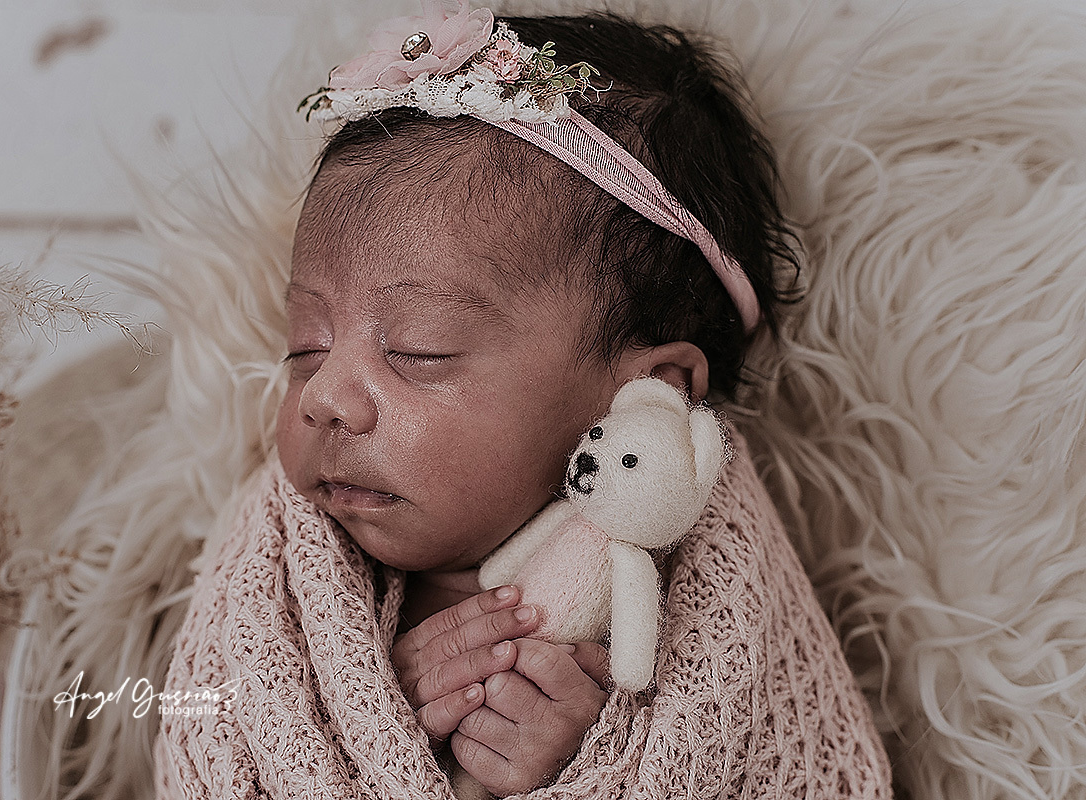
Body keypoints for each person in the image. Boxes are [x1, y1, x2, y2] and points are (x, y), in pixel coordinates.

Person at [156, 4, 891, 798]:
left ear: (647, 396)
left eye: (418, 350)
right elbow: (225, 727)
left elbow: (767, 757)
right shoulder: (288, 566)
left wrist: (582, 760)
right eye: (306, 346)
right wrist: (372, 706)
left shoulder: (705, 599)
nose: (325, 397)